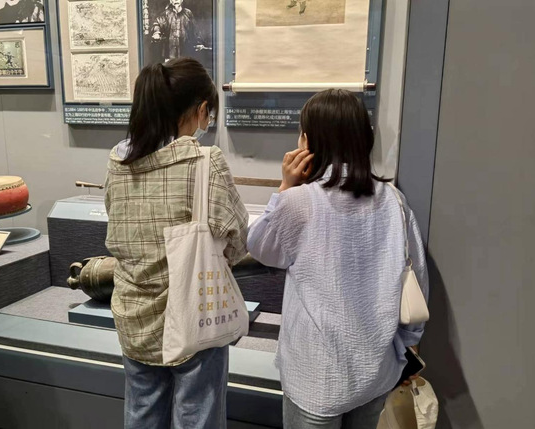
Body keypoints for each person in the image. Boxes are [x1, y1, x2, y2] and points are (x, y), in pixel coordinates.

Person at [247, 89, 429, 429]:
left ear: (308, 141)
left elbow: (259, 247)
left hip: (317, 378)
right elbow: (416, 276)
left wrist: (285, 186)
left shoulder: (298, 202)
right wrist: (407, 347)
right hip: (377, 371)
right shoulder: (393, 200)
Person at [105, 58, 248, 429]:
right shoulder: (205, 161)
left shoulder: (118, 161)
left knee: (141, 414)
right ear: (201, 110)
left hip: (132, 314)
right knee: (197, 418)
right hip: (193, 315)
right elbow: (238, 240)